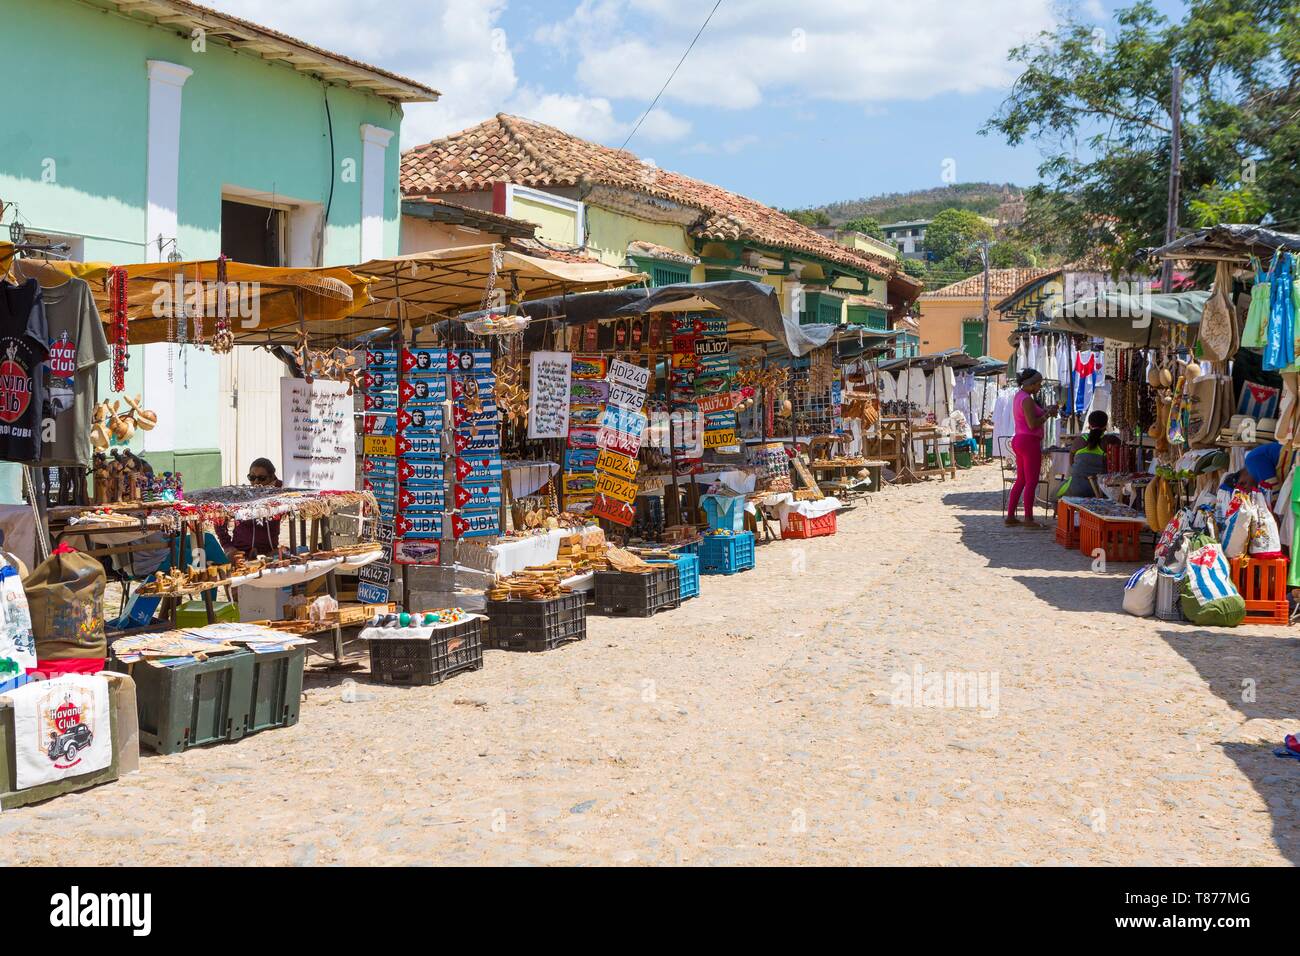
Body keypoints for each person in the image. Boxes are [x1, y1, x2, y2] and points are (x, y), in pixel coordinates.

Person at [1006, 368, 1056, 528]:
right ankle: (1028, 518)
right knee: (1031, 481)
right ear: (1031, 384)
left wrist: (1045, 411)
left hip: (1020, 440)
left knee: (1021, 480)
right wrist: (1048, 415)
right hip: (1029, 442)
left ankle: (1011, 516)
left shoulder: (1019, 396)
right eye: (1038, 384)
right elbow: (1032, 423)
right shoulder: (1027, 399)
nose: (1040, 387)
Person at [215, 457, 283, 557]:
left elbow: (283, 486)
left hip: (269, 553)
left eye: (262, 478)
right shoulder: (241, 497)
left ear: (272, 477)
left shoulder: (279, 497)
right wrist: (227, 546)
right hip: (239, 553)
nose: (256, 482)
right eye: (252, 477)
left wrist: (274, 485)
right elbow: (219, 518)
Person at [1058, 410, 1122, 498]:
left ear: (1089, 425)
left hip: (1075, 489)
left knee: (1053, 497)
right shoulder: (1111, 441)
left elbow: (1072, 465)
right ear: (1106, 425)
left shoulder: (1078, 441)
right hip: (1100, 491)